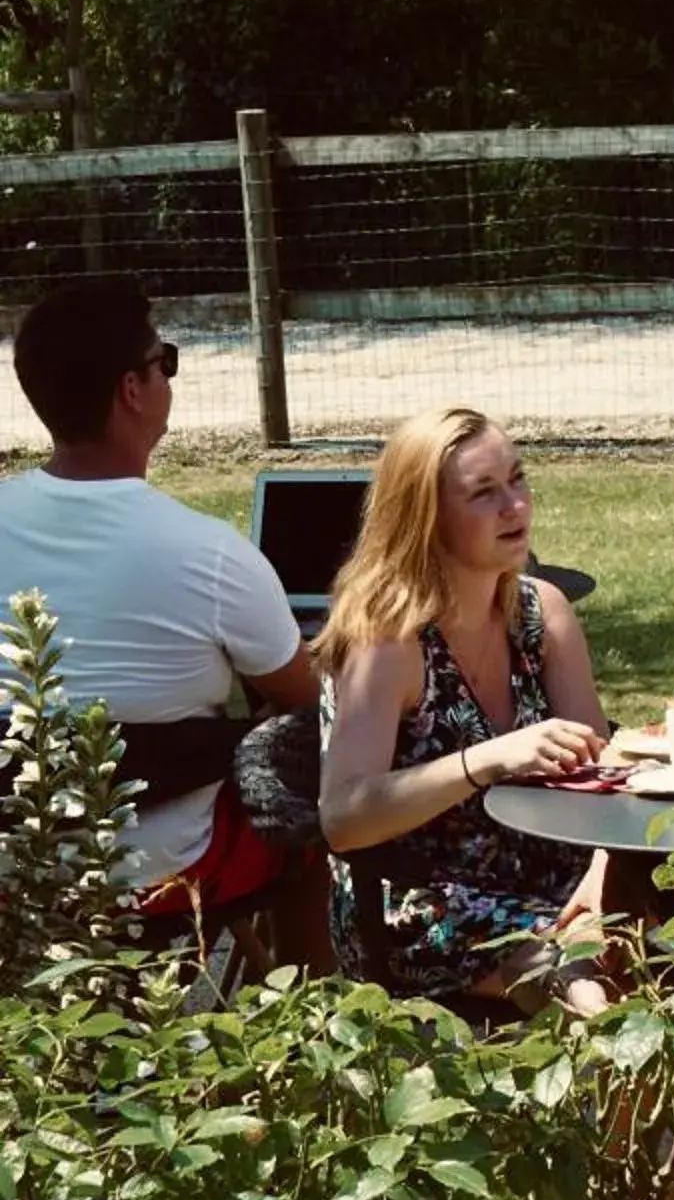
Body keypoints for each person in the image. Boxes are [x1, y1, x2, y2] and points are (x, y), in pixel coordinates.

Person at [0, 274, 327, 956]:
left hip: (18, 866)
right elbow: (305, 704)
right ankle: (305, 1016)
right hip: (171, 867)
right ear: (132, 389)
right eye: (165, 361)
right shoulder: (209, 553)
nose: (167, 377)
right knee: (316, 811)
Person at [316, 407, 612, 1009]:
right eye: (484, 493)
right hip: (424, 902)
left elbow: (606, 779)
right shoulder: (387, 640)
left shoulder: (542, 613)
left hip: (556, 880)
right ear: (427, 518)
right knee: (587, 987)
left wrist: (604, 876)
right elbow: (343, 818)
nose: (516, 505)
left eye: (517, 479)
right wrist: (485, 760)